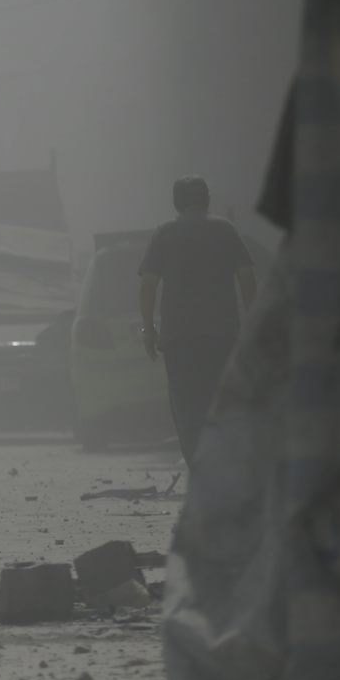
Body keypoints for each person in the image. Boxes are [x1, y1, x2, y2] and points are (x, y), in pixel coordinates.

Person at [138, 176, 257, 468]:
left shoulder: (163, 234)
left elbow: (148, 285)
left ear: (176, 202)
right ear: (206, 199)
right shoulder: (225, 230)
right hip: (223, 335)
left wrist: (149, 329)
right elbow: (246, 278)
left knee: (186, 405)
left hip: (179, 340)